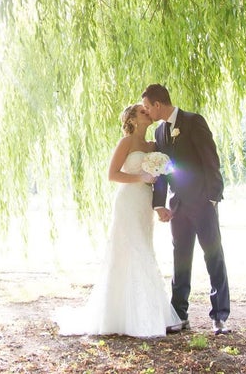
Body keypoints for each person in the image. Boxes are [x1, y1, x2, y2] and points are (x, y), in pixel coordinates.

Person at [55, 104, 183, 338]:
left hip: (144, 201)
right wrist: (140, 176)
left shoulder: (153, 145)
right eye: (142, 112)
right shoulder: (126, 143)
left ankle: (147, 313)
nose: (148, 113)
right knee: (130, 250)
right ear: (132, 119)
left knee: (144, 248)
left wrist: (158, 197)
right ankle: (120, 316)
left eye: (147, 111)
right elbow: (112, 174)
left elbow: (162, 176)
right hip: (128, 200)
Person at [141, 83, 231, 335]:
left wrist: (213, 197)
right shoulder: (159, 132)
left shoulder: (193, 121)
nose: (147, 112)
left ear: (158, 104)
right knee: (180, 260)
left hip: (203, 202)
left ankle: (220, 316)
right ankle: (179, 314)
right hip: (178, 206)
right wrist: (159, 204)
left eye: (148, 107)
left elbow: (210, 159)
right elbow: (160, 171)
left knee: (213, 257)